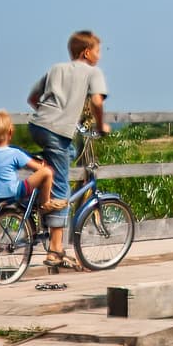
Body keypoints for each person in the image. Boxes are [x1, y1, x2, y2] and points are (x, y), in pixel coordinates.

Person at [27, 29, 110, 267]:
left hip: (37, 126)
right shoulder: (93, 72)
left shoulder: (56, 68)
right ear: (86, 52)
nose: (100, 56)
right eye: (98, 51)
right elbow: (96, 101)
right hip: (58, 132)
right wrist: (101, 125)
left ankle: (40, 184)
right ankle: (55, 249)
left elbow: (32, 98)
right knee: (62, 185)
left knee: (67, 155)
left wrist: (50, 114)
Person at [0, 110, 53, 217]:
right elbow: (38, 168)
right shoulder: (14, 153)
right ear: (10, 132)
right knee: (47, 172)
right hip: (12, 193)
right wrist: (42, 165)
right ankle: (45, 204)